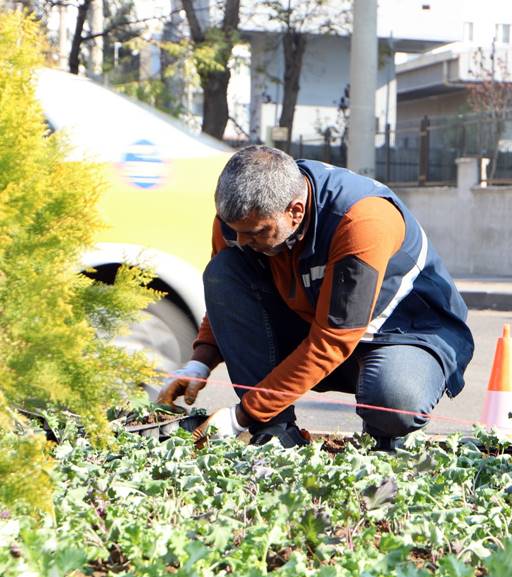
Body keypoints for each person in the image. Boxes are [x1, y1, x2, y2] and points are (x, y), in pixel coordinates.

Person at [158, 145, 475, 450]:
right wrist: (200, 362)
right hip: (320, 329)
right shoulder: (240, 223)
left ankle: (383, 442)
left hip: (405, 333)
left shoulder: (361, 220)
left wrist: (240, 418)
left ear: (294, 212)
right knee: (223, 269)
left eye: (255, 233)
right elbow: (227, 298)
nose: (241, 240)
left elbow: (334, 338)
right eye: (234, 230)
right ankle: (274, 433)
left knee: (393, 401)